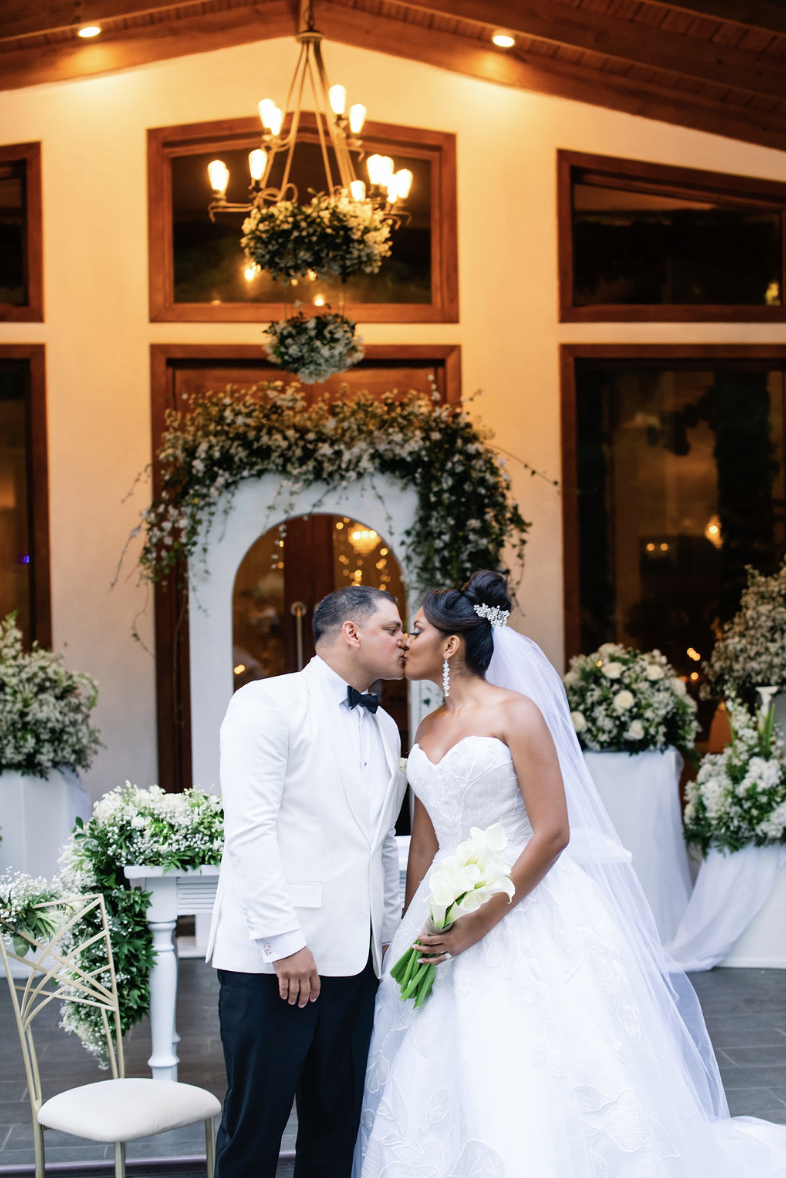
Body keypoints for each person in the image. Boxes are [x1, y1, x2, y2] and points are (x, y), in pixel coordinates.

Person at [355, 569, 786, 1177]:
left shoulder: (517, 714)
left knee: (538, 1058)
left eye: (416, 629)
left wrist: (482, 919)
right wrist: (405, 925)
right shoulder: (424, 729)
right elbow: (424, 842)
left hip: (523, 906)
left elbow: (553, 830)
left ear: (451, 644)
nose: (405, 641)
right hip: (440, 910)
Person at [207, 584, 408, 1178]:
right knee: (254, 1128)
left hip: (357, 965)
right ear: (351, 632)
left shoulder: (389, 728)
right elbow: (249, 831)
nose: (405, 640)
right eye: (392, 628)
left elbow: (381, 850)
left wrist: (389, 933)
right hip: (273, 963)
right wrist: (282, 942)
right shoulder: (266, 702)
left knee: (335, 1131)